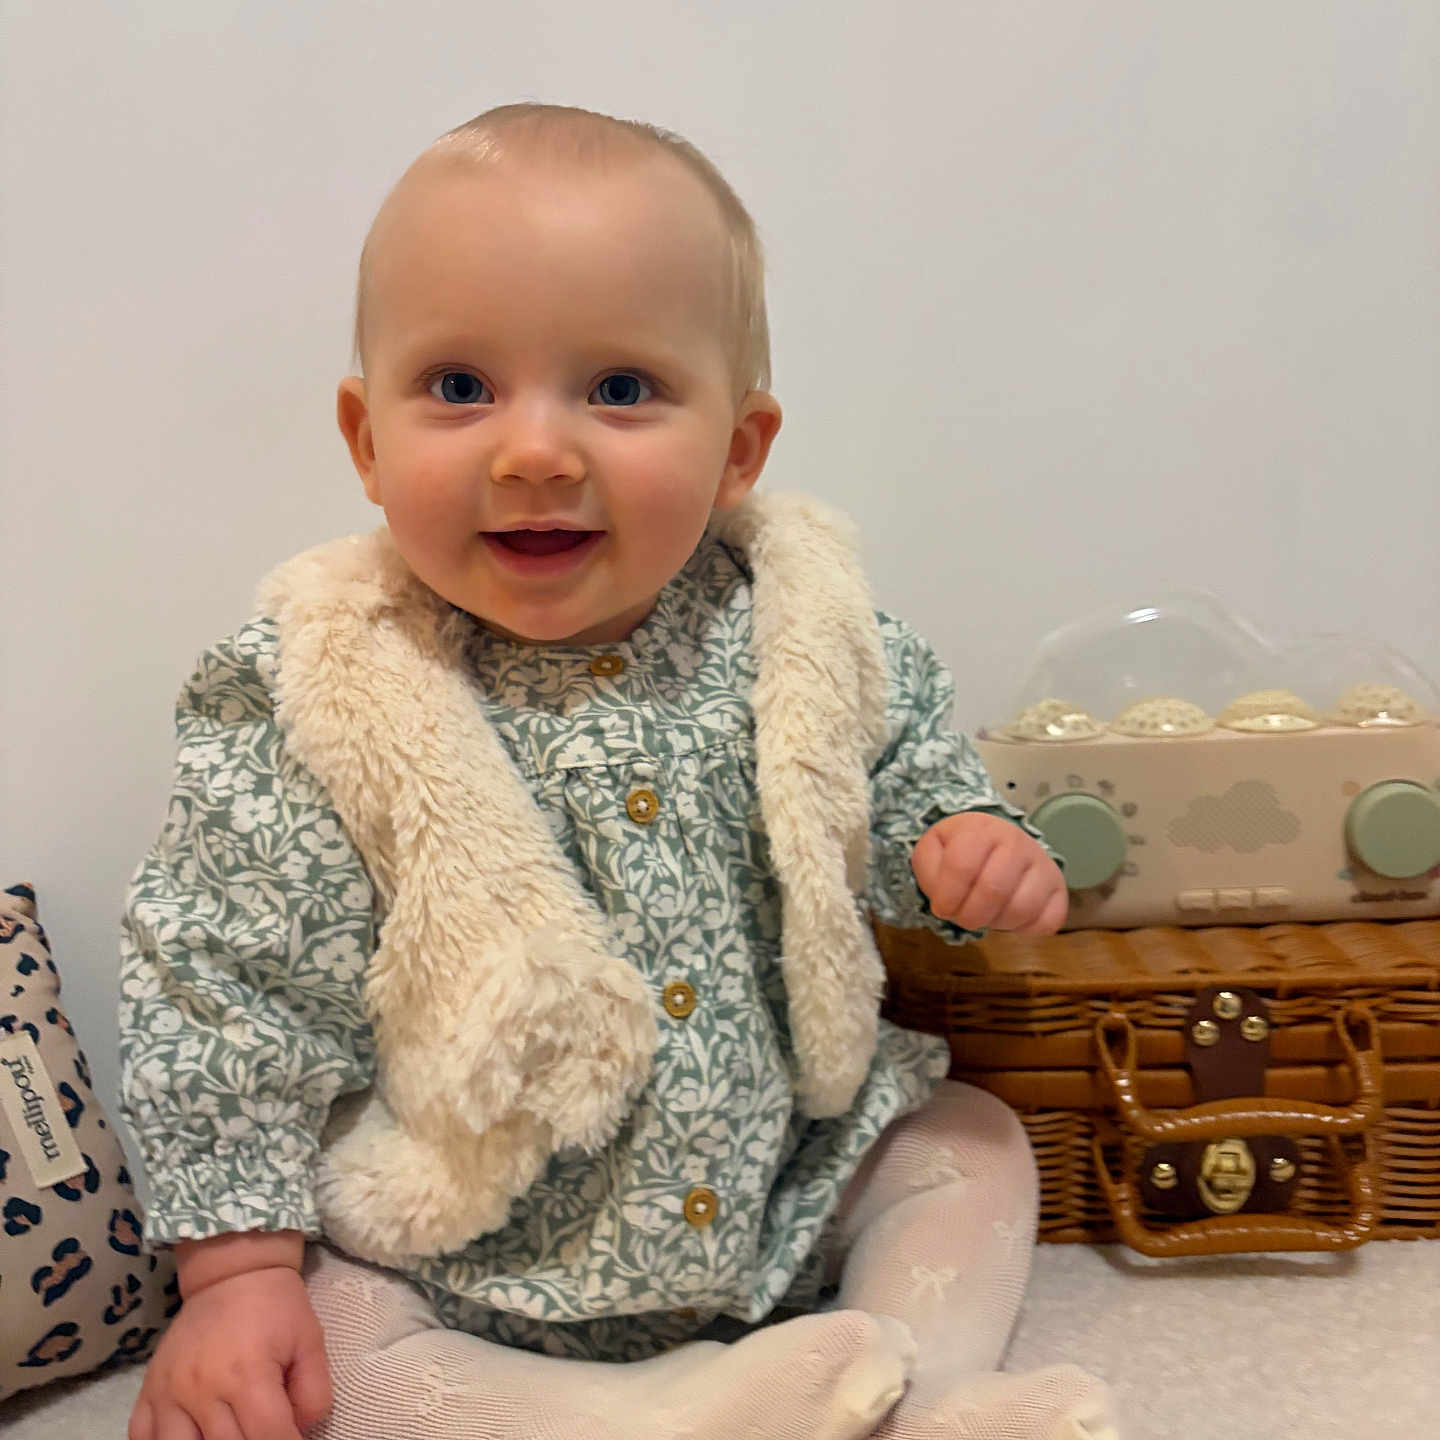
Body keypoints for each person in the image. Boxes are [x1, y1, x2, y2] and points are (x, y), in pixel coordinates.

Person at [119, 103, 1115, 1440]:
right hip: (468, 1246)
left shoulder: (797, 633)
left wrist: (965, 848)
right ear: (366, 439)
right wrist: (235, 1277)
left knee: (973, 1149)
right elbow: (224, 980)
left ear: (738, 450)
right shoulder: (324, 687)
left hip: (778, 1192)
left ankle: (918, 1393)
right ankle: (656, 1416)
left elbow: (902, 777)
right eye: (460, 388)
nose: (535, 450)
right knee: (335, 1340)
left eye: (621, 389)